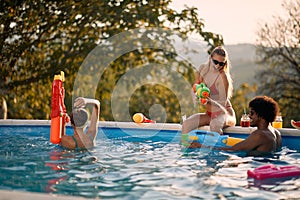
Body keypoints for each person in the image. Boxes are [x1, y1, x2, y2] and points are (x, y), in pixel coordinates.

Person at [182, 46, 236, 140]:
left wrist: (208, 101)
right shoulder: (202, 69)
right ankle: (186, 152)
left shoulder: (222, 77)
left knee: (214, 125)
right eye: (215, 62)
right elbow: (195, 87)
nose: (218, 66)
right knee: (187, 124)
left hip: (225, 113)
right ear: (210, 58)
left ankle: (220, 152)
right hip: (209, 114)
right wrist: (195, 98)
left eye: (221, 63)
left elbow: (223, 104)